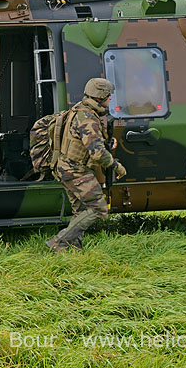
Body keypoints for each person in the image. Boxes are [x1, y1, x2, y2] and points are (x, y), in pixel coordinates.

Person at [46, 78, 126, 253]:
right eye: (108, 96)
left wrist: (106, 141)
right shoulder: (88, 118)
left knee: (80, 210)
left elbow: (86, 142)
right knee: (98, 208)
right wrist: (116, 166)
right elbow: (97, 153)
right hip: (76, 171)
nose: (110, 99)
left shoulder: (79, 110)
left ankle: (73, 250)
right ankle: (59, 242)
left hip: (65, 167)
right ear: (99, 97)